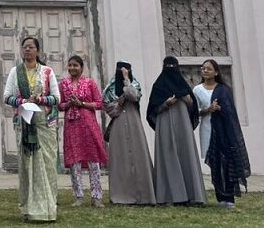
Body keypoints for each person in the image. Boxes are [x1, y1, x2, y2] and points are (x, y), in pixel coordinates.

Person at [2, 36, 60, 223]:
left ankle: (48, 209)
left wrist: (40, 100)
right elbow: (7, 97)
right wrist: (22, 102)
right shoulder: (15, 72)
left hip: (44, 125)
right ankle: (29, 209)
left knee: (47, 166)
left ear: (38, 51)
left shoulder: (47, 72)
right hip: (25, 124)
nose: (27, 50)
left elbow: (56, 98)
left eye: (31, 47)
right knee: (27, 167)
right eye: (25, 47)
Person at [147, 56, 206, 206]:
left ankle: (191, 196)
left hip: (182, 125)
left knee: (186, 155)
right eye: (169, 66)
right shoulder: (159, 86)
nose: (171, 70)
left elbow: (193, 108)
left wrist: (189, 101)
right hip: (165, 123)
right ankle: (168, 196)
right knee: (167, 155)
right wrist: (165, 103)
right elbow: (152, 110)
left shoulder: (184, 86)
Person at [196, 59, 250, 209]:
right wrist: (208, 110)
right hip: (208, 129)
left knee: (227, 163)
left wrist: (221, 109)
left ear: (216, 72)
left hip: (225, 131)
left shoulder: (224, 89)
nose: (205, 71)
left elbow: (231, 110)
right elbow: (195, 112)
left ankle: (229, 198)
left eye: (208, 68)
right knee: (215, 164)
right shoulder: (197, 90)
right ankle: (220, 197)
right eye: (203, 68)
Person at [101, 61, 155, 205]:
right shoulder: (110, 88)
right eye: (121, 71)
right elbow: (107, 107)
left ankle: (142, 195)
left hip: (134, 123)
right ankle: (121, 195)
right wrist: (118, 104)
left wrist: (126, 80)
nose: (123, 73)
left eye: (126, 71)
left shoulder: (134, 84)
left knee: (138, 156)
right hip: (118, 125)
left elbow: (133, 96)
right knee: (120, 158)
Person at [58, 55, 107, 208]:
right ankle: (78, 195)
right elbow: (59, 105)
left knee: (93, 160)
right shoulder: (63, 84)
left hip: (88, 124)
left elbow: (99, 103)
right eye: (70, 65)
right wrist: (69, 104)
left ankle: (96, 196)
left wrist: (82, 103)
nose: (72, 68)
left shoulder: (89, 83)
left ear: (81, 67)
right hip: (72, 126)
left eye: (75, 65)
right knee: (75, 161)